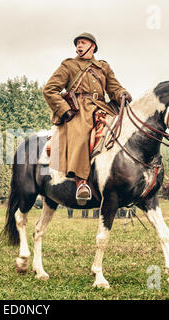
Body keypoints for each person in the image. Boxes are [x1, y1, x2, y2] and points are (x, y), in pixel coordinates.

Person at [43, 32, 131, 202]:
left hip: (102, 107)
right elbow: (49, 89)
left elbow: (114, 88)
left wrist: (122, 94)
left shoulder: (103, 67)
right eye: (77, 44)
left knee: (123, 132)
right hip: (79, 111)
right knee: (81, 135)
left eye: (83, 43)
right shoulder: (69, 66)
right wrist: (64, 109)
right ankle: (81, 182)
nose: (79, 46)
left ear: (93, 46)